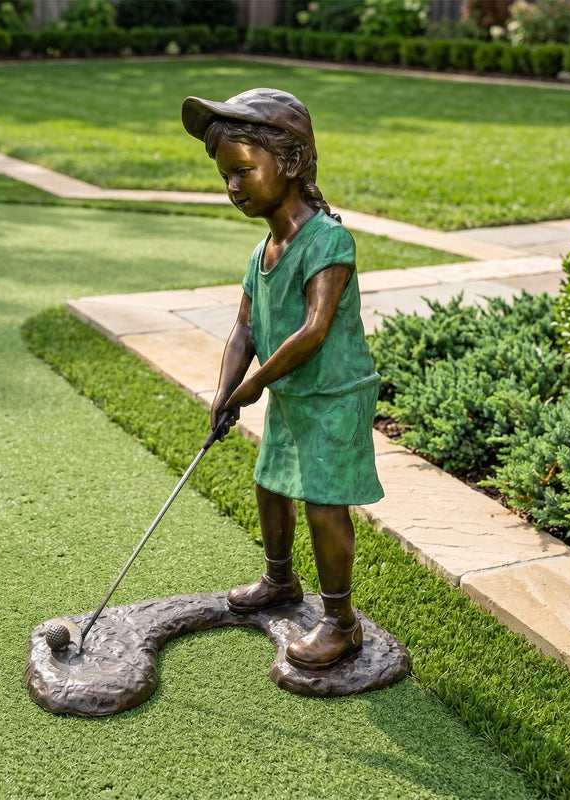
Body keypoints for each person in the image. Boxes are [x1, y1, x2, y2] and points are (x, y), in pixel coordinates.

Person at [181, 88, 384, 671]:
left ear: (290, 163)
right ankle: (279, 582)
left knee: (324, 504)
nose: (233, 187)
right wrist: (225, 389)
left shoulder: (328, 242)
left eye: (243, 170)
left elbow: (314, 332)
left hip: (333, 396)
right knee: (270, 482)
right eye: (225, 176)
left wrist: (254, 387)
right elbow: (245, 327)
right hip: (294, 391)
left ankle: (341, 622)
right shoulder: (262, 250)